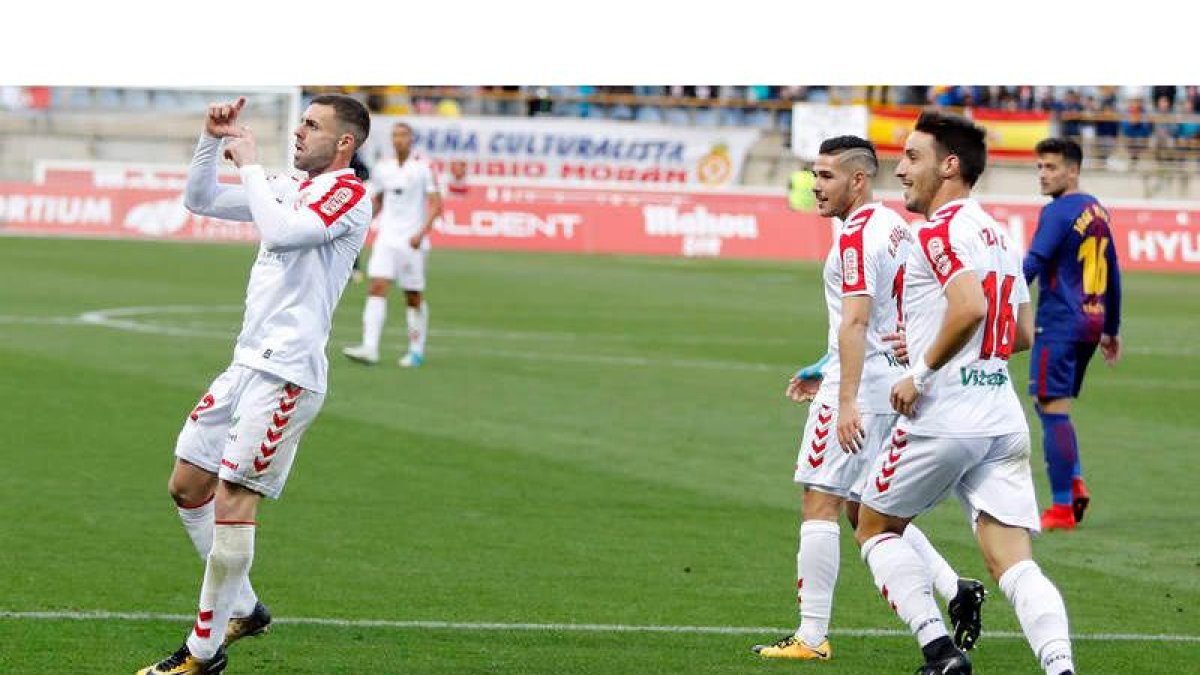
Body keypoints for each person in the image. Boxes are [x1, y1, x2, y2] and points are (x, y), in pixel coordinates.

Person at [136, 93, 372, 675]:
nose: (299, 132)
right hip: (246, 363)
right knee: (189, 484)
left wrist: (249, 167)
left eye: (313, 126)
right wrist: (211, 140)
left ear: (344, 142)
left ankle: (202, 654)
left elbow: (288, 233)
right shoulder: (290, 185)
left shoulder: (349, 194)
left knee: (234, 499)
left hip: (286, 372)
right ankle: (243, 608)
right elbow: (200, 199)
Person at [854, 111, 1077, 675]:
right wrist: (937, 338)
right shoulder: (998, 233)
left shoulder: (939, 229)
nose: (901, 169)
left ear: (948, 166)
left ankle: (939, 649)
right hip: (999, 415)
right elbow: (1018, 333)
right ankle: (1061, 669)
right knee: (1015, 566)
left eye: (912, 157)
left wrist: (922, 370)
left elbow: (970, 307)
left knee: (873, 525)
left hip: (945, 413)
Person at [752, 136, 983, 662]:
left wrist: (845, 397)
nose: (815, 186)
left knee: (820, 501)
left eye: (827, 176)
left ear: (858, 180)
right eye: (814, 175)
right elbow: (880, 319)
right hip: (892, 381)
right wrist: (823, 364)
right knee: (870, 511)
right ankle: (956, 588)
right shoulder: (895, 226)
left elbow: (857, 320)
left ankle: (811, 636)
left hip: (858, 391)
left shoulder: (855, 238)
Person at [1024, 137, 1122, 531]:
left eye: (1051, 168)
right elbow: (1112, 271)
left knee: (1051, 409)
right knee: (1052, 406)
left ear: (1073, 170)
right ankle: (1075, 480)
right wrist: (1111, 328)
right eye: (1040, 168)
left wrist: (999, 300)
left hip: (1060, 323)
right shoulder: (1095, 209)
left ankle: (1062, 506)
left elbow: (1033, 262)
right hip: (1091, 321)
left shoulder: (1058, 212)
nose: (1043, 175)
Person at [343, 122, 443, 368]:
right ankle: (370, 347)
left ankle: (416, 350)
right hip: (387, 238)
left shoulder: (423, 168)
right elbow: (378, 201)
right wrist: (363, 223)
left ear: (411, 139)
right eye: (395, 136)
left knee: (413, 296)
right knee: (377, 287)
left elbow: (437, 204)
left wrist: (422, 233)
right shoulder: (383, 168)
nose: (399, 140)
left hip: (412, 241)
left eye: (403, 135)